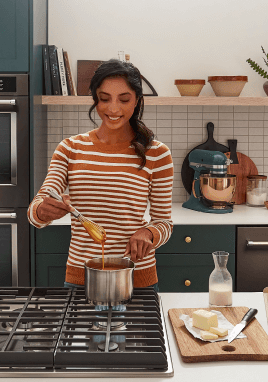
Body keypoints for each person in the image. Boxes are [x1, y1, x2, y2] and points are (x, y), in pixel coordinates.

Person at [28, 58, 173, 293]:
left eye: (124, 99)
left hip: (136, 278)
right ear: (95, 99)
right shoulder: (70, 149)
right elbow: (35, 211)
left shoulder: (156, 153)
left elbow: (164, 222)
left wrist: (148, 233)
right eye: (105, 99)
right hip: (81, 278)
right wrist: (42, 211)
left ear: (137, 100)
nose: (113, 109)